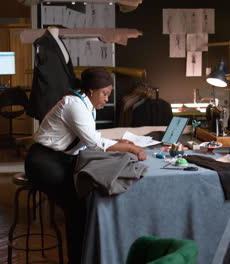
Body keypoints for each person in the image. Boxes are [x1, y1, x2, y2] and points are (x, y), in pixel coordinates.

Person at [25, 67, 147, 264]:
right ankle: (79, 258)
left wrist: (119, 141)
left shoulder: (85, 104)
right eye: (104, 94)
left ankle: (87, 254)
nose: (107, 99)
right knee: (77, 208)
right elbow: (94, 143)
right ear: (91, 90)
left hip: (61, 159)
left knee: (87, 197)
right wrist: (131, 149)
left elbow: (91, 136)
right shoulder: (74, 105)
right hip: (43, 162)